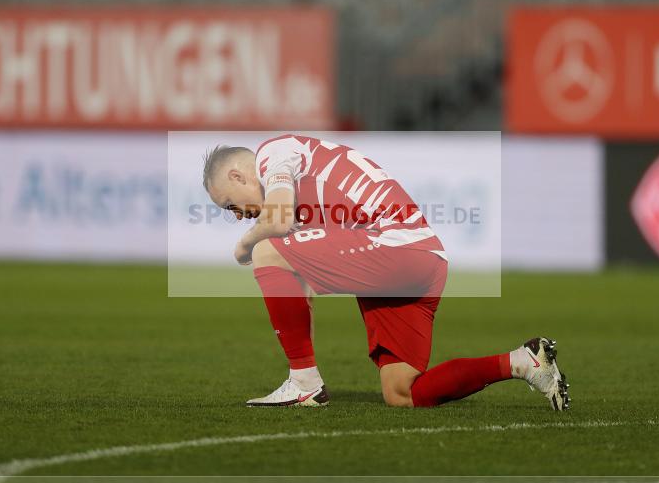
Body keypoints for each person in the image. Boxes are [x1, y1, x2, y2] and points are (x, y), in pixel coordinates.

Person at [202, 134, 569, 410]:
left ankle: (303, 383)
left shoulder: (272, 153)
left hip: (394, 246)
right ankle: (524, 362)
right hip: (422, 259)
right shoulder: (300, 190)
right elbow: (300, 264)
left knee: (267, 248)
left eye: (229, 204)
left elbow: (277, 222)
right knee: (402, 392)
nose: (236, 214)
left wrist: (244, 244)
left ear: (238, 174)